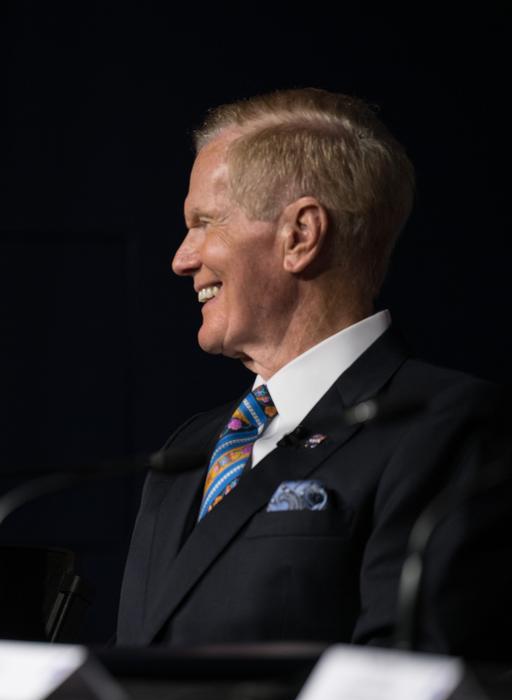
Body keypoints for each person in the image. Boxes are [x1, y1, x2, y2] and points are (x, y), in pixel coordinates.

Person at [116, 89, 507, 653]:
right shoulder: (191, 447)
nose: (181, 257)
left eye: (204, 222)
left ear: (300, 235)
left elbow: (401, 682)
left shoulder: (445, 426)